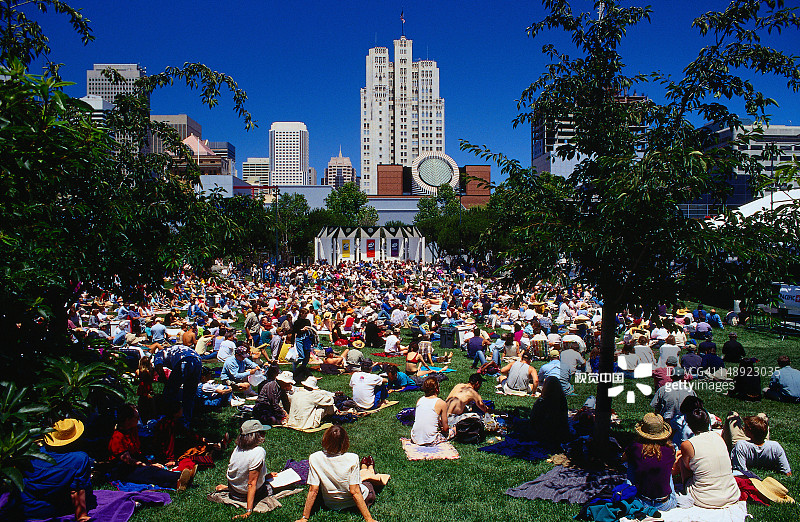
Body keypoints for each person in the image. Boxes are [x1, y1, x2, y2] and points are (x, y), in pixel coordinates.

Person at [295, 425, 389, 522]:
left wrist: (304, 517)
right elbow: (355, 491)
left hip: (330, 504)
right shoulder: (352, 458)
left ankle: (365, 467)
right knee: (368, 483)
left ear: (325, 439)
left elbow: (313, 490)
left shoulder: (315, 458)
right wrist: (369, 519)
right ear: (345, 442)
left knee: (360, 477)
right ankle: (368, 468)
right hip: (353, 504)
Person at [108, 404, 196, 490]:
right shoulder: (117, 438)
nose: (139, 419)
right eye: (136, 417)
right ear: (127, 420)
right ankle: (180, 477)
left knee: (152, 471)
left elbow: (137, 453)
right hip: (123, 469)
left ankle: (178, 483)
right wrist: (148, 465)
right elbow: (128, 461)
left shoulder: (132, 430)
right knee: (150, 472)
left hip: (135, 462)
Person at [20, 419, 93, 521]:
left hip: (25, 505)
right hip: (49, 509)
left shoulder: (33, 453)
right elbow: (76, 490)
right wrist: (81, 516)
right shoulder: (79, 459)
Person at [677, 406, 741, 509]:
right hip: (731, 493)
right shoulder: (718, 436)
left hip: (705, 498)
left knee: (682, 461)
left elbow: (688, 468)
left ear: (689, 424)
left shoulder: (688, 444)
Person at [215, 420, 277, 519]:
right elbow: (251, 483)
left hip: (234, 491)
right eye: (262, 432)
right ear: (256, 435)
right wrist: (248, 511)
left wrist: (266, 475)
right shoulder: (259, 452)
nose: (264, 434)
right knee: (274, 486)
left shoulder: (238, 448)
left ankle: (226, 488)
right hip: (243, 494)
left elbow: (242, 472)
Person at [624, 413, 677, 511]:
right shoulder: (670, 450)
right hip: (665, 504)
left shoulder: (635, 448)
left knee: (631, 465)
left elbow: (623, 458)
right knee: (666, 470)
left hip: (642, 502)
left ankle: (628, 492)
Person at [525, 376, 571, 448]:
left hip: (543, 434)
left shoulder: (541, 402)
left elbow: (533, 420)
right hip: (560, 434)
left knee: (520, 424)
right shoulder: (562, 401)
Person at [410, 377, 452, 445]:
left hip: (414, 438)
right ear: (436, 389)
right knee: (454, 430)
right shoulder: (441, 403)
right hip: (430, 440)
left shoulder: (420, 400)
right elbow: (446, 429)